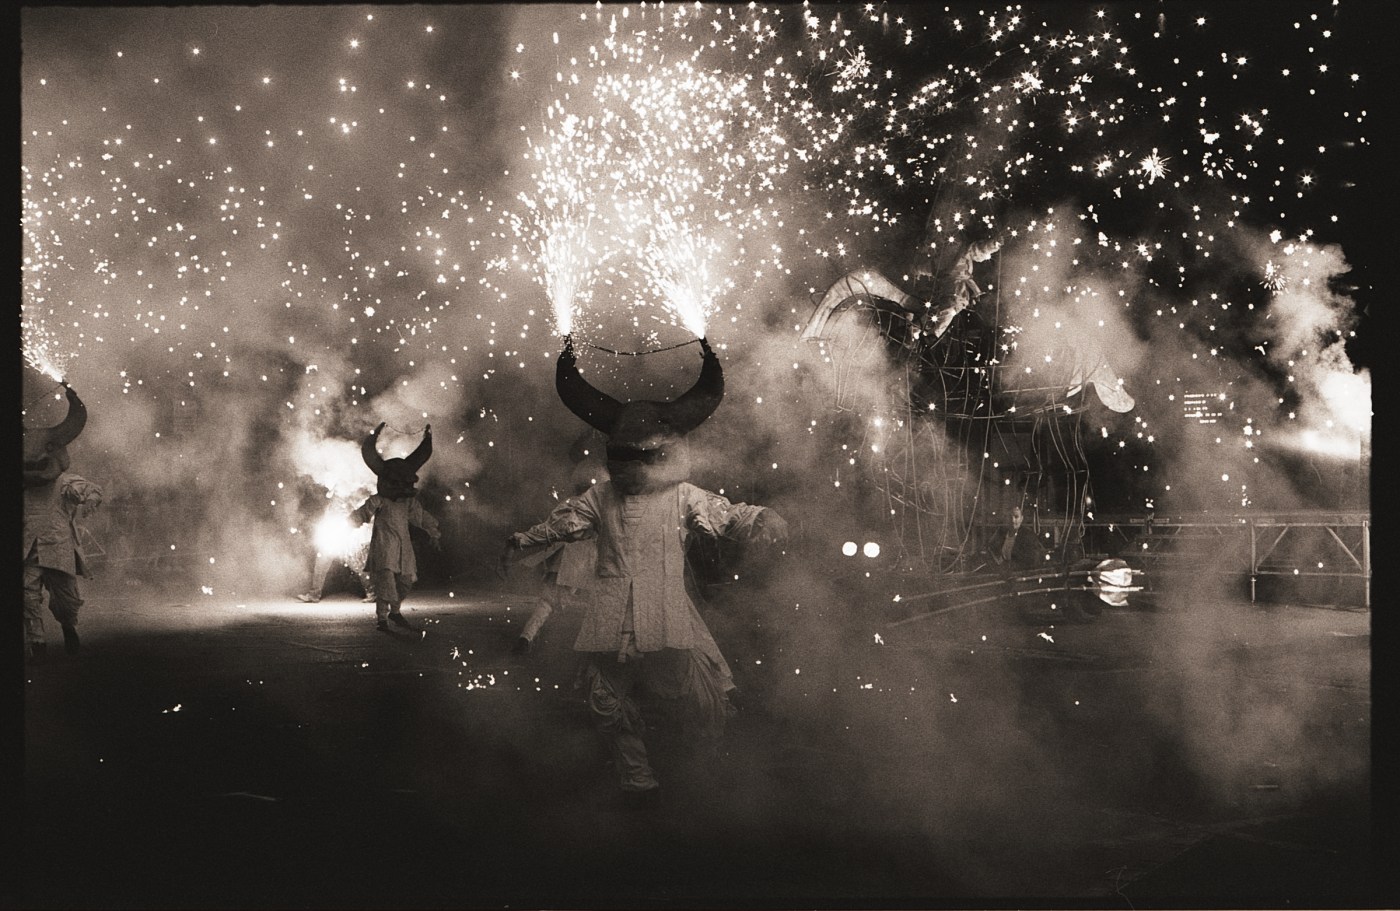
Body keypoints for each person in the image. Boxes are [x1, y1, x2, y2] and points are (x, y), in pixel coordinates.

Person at [503, 336, 788, 805]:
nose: (635, 464)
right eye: (626, 454)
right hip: (611, 613)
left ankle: (704, 768)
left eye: (646, 454)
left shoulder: (680, 496)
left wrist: (761, 517)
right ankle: (638, 779)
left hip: (667, 611)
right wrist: (521, 540)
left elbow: (725, 514)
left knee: (696, 696)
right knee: (605, 699)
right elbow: (565, 521)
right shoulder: (600, 498)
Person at [23, 383, 101, 660]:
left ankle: (68, 626)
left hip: (57, 551)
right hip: (27, 551)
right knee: (26, 596)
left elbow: (89, 489)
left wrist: (91, 500)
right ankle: (37, 642)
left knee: (66, 600)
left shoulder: (65, 483)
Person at [353, 422, 441, 631]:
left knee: (406, 582)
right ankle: (383, 618)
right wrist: (347, 524)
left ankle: (394, 611)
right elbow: (362, 513)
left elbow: (421, 518)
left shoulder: (408, 502)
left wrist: (434, 533)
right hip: (384, 548)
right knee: (387, 585)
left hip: (404, 550)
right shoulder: (379, 500)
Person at [298, 509, 376, 604]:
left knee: (357, 564)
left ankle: (372, 593)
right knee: (322, 560)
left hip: (351, 533)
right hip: (335, 530)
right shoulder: (336, 497)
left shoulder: (359, 497)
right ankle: (314, 594)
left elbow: (364, 514)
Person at [987, 504, 1045, 570]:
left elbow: (1033, 560)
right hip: (1001, 573)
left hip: (1019, 574)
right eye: (1009, 517)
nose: (1012, 520)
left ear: (1021, 519)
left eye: (1016, 517)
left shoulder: (1028, 536)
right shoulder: (1001, 533)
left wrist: (1010, 566)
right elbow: (990, 549)